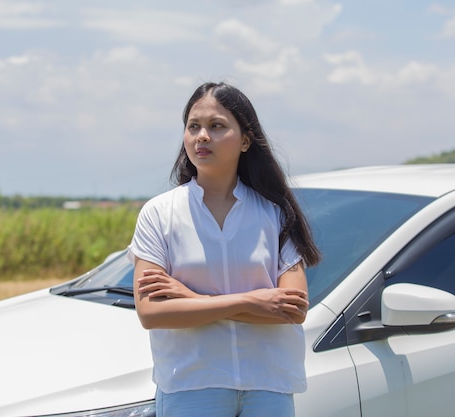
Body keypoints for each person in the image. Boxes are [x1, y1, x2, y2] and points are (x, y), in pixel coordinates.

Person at [128, 82, 321, 417]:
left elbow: (292, 311)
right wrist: (253, 300)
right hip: (190, 385)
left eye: (216, 126)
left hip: (268, 385)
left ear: (245, 140)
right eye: (193, 127)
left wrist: (190, 298)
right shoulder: (159, 213)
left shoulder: (275, 213)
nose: (202, 136)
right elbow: (152, 313)